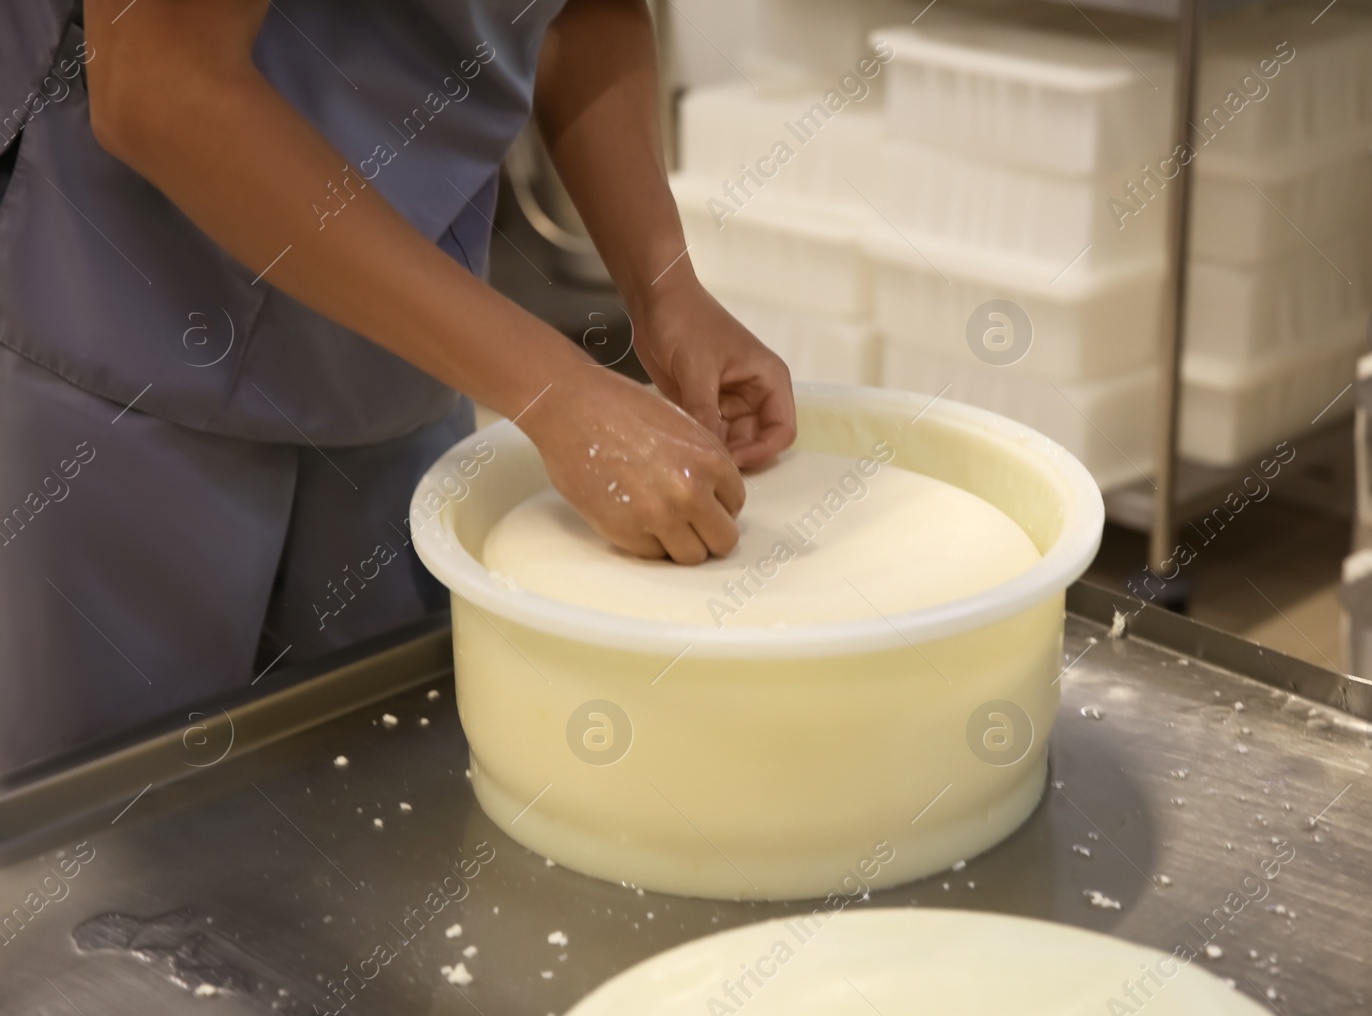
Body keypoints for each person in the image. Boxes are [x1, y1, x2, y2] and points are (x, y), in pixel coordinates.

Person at [0, 0, 796, 774]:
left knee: (382, 790)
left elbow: (580, 14)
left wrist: (665, 291)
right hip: (127, 360)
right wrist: (558, 392)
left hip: (402, 362)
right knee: (110, 843)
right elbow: (162, 86)